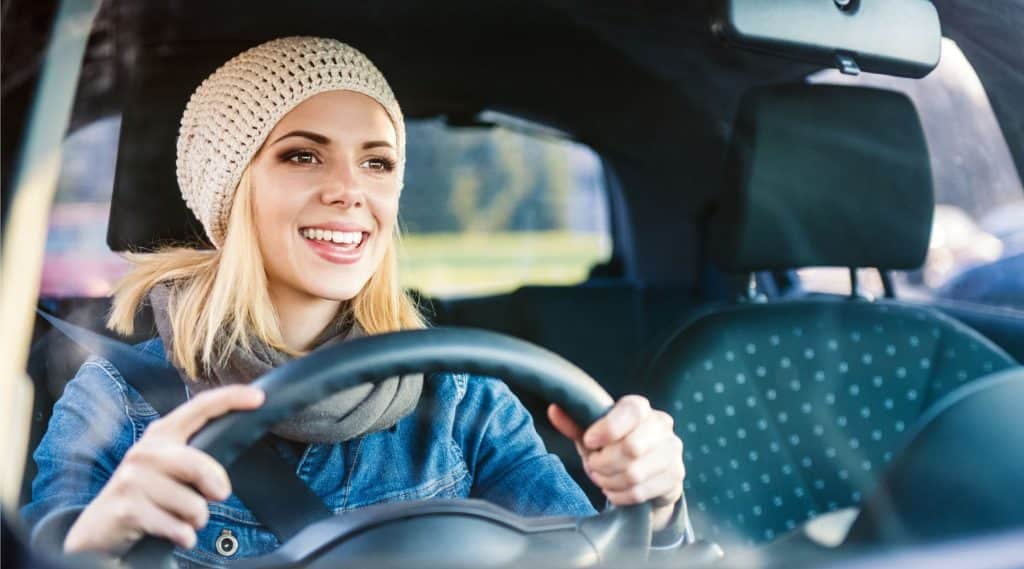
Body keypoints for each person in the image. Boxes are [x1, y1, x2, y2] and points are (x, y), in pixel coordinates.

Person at [20, 36, 689, 567]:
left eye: (377, 162)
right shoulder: (116, 402)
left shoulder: (462, 400)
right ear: (228, 192)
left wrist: (654, 507)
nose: (350, 190)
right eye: (302, 156)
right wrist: (93, 545)